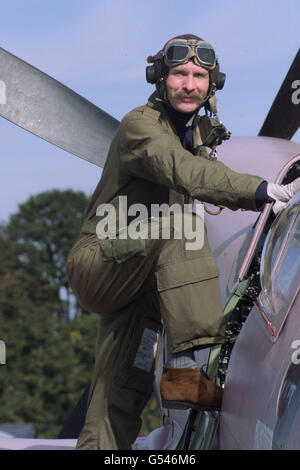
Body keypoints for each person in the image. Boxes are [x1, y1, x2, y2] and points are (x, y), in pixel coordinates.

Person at [66, 34, 300, 450]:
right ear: (160, 78)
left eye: (198, 76)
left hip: (142, 277)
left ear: (212, 84)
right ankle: (190, 371)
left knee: (117, 396)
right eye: (179, 75)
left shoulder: (200, 136)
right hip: (102, 263)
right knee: (179, 225)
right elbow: (181, 171)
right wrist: (259, 190)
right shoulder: (140, 126)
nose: (189, 84)